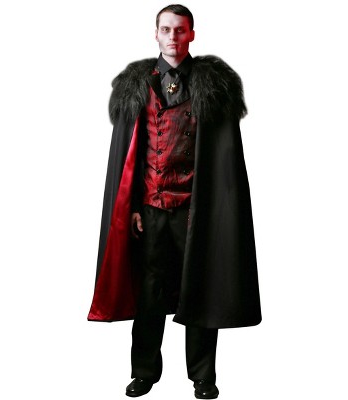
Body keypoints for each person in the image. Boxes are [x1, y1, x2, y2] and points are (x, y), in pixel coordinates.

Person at [88, 4, 262, 399]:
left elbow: (222, 158)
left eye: (180, 30)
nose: (173, 36)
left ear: (191, 34)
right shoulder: (136, 85)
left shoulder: (213, 86)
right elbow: (129, 156)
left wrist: (213, 210)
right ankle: (144, 372)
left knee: (200, 289)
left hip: (195, 210)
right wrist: (133, 206)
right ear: (156, 34)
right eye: (166, 29)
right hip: (150, 211)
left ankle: (202, 376)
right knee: (149, 294)